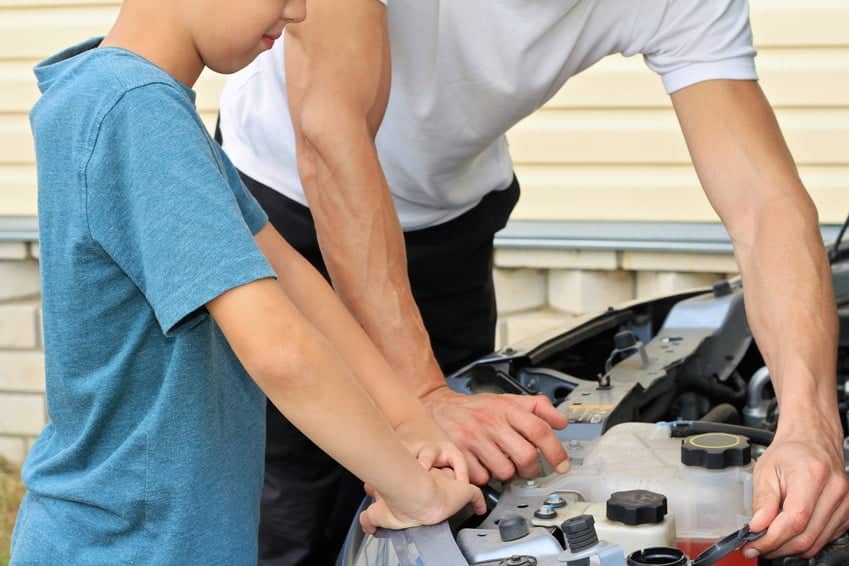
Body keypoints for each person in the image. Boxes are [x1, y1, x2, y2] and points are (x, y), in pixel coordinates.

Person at [218, 0, 849, 563]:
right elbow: (331, 130)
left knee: (456, 506)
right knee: (287, 522)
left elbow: (765, 206)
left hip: (451, 227)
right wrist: (420, 393)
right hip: (282, 206)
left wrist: (809, 424)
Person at [9, 0, 488, 563]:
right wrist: (416, 495)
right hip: (132, 545)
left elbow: (297, 285)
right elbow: (281, 349)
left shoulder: (127, 98)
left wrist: (411, 425)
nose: (301, 12)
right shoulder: (134, 109)